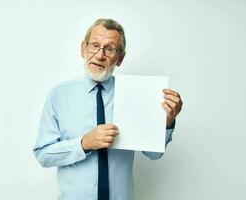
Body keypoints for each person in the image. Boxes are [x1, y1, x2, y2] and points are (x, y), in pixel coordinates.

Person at [33, 18, 183, 200]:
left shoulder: (136, 95)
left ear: (120, 58)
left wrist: (166, 122)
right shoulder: (59, 95)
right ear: (83, 49)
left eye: (110, 49)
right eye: (94, 45)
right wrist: (83, 143)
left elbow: (153, 154)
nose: (100, 55)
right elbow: (43, 155)